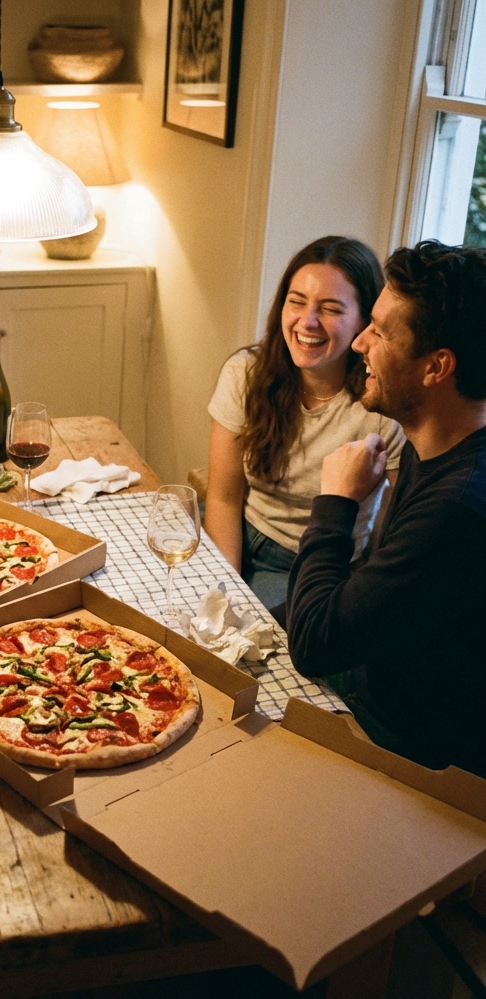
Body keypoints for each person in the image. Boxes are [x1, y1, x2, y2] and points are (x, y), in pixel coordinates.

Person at [287, 240, 486, 778]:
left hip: (409, 755)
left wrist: (334, 503)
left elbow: (313, 644)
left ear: (436, 367)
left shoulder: (455, 508)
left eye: (379, 330)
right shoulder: (436, 445)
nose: (358, 343)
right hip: (375, 685)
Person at [205, 236, 406, 609]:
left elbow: (388, 535)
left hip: (314, 566)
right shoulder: (245, 373)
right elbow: (222, 498)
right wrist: (223, 589)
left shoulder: (383, 403)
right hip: (237, 537)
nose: (307, 321)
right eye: (296, 302)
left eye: (330, 309)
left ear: (366, 321)